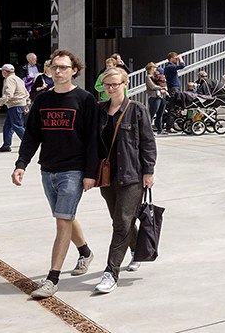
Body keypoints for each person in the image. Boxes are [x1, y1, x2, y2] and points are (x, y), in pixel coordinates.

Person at [12, 49, 99, 299]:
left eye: (64, 67)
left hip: (73, 170)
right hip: (47, 169)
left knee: (62, 221)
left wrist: (90, 173)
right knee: (65, 217)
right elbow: (31, 136)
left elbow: (93, 139)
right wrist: (21, 164)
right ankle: (85, 252)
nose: (58, 71)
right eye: (54, 67)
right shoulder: (42, 100)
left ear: (74, 70)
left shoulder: (85, 100)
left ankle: (52, 279)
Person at [92, 67, 156, 294]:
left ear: (125, 84)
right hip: (108, 177)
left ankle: (111, 272)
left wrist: (149, 171)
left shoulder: (137, 110)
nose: (111, 88)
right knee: (122, 221)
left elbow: (148, 142)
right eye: (107, 84)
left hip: (132, 176)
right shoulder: (99, 110)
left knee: (121, 222)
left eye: (115, 84)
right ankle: (137, 250)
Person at [0, 62, 29, 152]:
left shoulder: (9, 79)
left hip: (15, 105)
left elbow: (9, 93)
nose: (2, 73)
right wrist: (26, 104)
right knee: (7, 126)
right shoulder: (18, 79)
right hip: (19, 105)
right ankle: (6, 145)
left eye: (2, 71)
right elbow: (26, 93)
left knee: (17, 126)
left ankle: (29, 142)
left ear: (5, 71)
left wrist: (0, 103)